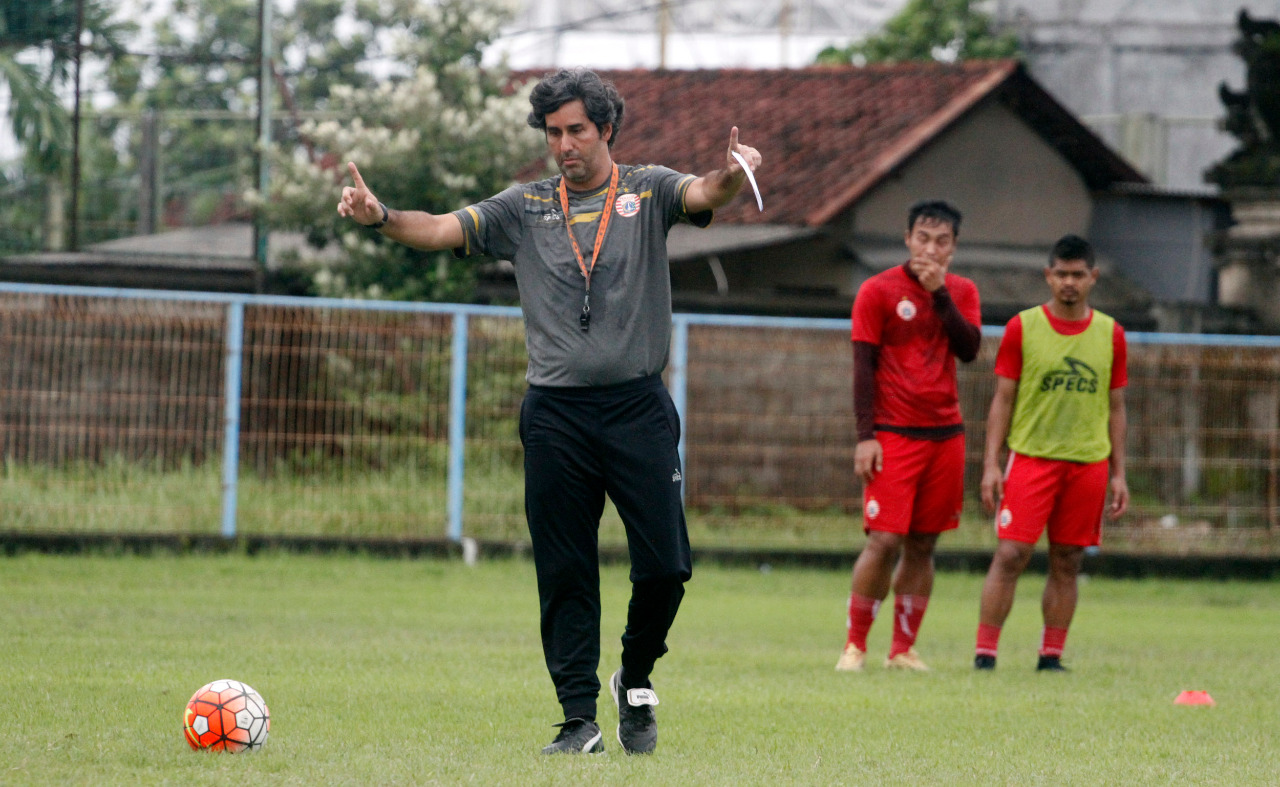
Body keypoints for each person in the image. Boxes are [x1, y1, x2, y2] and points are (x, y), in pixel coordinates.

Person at [337, 68, 762, 755]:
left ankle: (637, 673)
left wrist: (733, 173)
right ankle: (577, 717)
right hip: (556, 414)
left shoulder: (647, 190)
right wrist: (380, 217)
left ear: (607, 130)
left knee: (667, 563)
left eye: (577, 131)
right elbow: (441, 227)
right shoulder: (524, 206)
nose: (564, 144)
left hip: (637, 407)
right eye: (553, 132)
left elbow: (704, 190)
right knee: (566, 567)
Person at [836, 200, 982, 673]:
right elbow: (863, 366)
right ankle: (854, 646)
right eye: (923, 238)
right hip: (893, 435)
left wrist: (941, 296)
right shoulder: (877, 291)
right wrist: (866, 436)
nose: (931, 249)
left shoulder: (962, 291)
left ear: (954, 249)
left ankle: (902, 649)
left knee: (924, 545)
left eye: (942, 242)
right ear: (907, 239)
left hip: (946, 435)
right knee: (883, 541)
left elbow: (970, 350)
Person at [974, 234, 1129, 672]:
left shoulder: (1111, 334)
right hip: (1031, 459)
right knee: (1010, 556)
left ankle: (1051, 657)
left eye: (1078, 274)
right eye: (1061, 273)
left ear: (1093, 278)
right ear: (1048, 275)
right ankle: (985, 655)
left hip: (1088, 464)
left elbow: (1116, 408)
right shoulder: (1023, 328)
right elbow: (1002, 399)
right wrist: (991, 464)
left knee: (1068, 559)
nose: (1069, 282)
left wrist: (1119, 473)